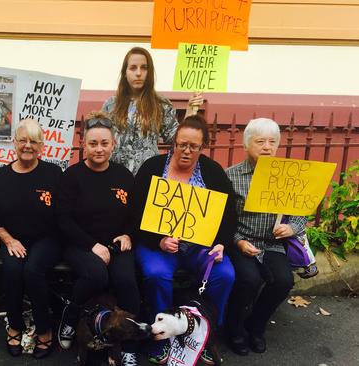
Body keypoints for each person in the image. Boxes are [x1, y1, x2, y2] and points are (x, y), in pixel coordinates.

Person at [130, 114, 236, 365]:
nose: (186, 151)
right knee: (156, 274)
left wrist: (222, 243)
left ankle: (207, 335)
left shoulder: (212, 172)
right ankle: (161, 337)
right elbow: (134, 214)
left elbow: (229, 214)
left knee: (225, 275)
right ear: (173, 143)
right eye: (181, 144)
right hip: (159, 245)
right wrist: (159, 240)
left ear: (203, 147)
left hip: (199, 246)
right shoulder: (152, 168)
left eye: (193, 146)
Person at [56, 111, 141, 366]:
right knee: (96, 275)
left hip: (115, 244)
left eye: (104, 143)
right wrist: (91, 246)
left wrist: (129, 234)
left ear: (113, 145)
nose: (99, 149)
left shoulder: (124, 176)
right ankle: (70, 317)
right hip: (79, 244)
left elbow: (135, 215)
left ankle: (129, 342)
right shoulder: (72, 176)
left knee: (126, 280)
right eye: (93, 143)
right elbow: (62, 219)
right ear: (84, 145)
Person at [224, 118, 315, 356]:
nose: (267, 147)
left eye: (272, 142)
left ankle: (255, 327)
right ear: (246, 145)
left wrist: (292, 228)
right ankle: (233, 330)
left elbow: (301, 212)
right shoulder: (231, 176)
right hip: (243, 241)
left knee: (284, 281)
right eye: (260, 141)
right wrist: (238, 241)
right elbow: (222, 220)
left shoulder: (287, 175)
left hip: (273, 244)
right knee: (248, 280)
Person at [0, 119, 62, 359]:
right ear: (14, 143)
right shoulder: (2, 176)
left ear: (41, 146)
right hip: (13, 239)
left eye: (33, 141)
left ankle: (44, 329)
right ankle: (15, 326)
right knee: (12, 270)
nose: (28, 145)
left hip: (47, 239)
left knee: (32, 271)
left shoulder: (53, 173)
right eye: (23, 140)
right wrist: (9, 240)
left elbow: (64, 214)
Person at [102, 46, 202, 175]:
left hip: (148, 174)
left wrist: (189, 113)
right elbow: (101, 138)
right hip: (115, 174)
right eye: (133, 68)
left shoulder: (161, 104)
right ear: (125, 73)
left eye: (144, 68)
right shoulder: (111, 105)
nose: (138, 73)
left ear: (150, 72)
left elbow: (175, 139)